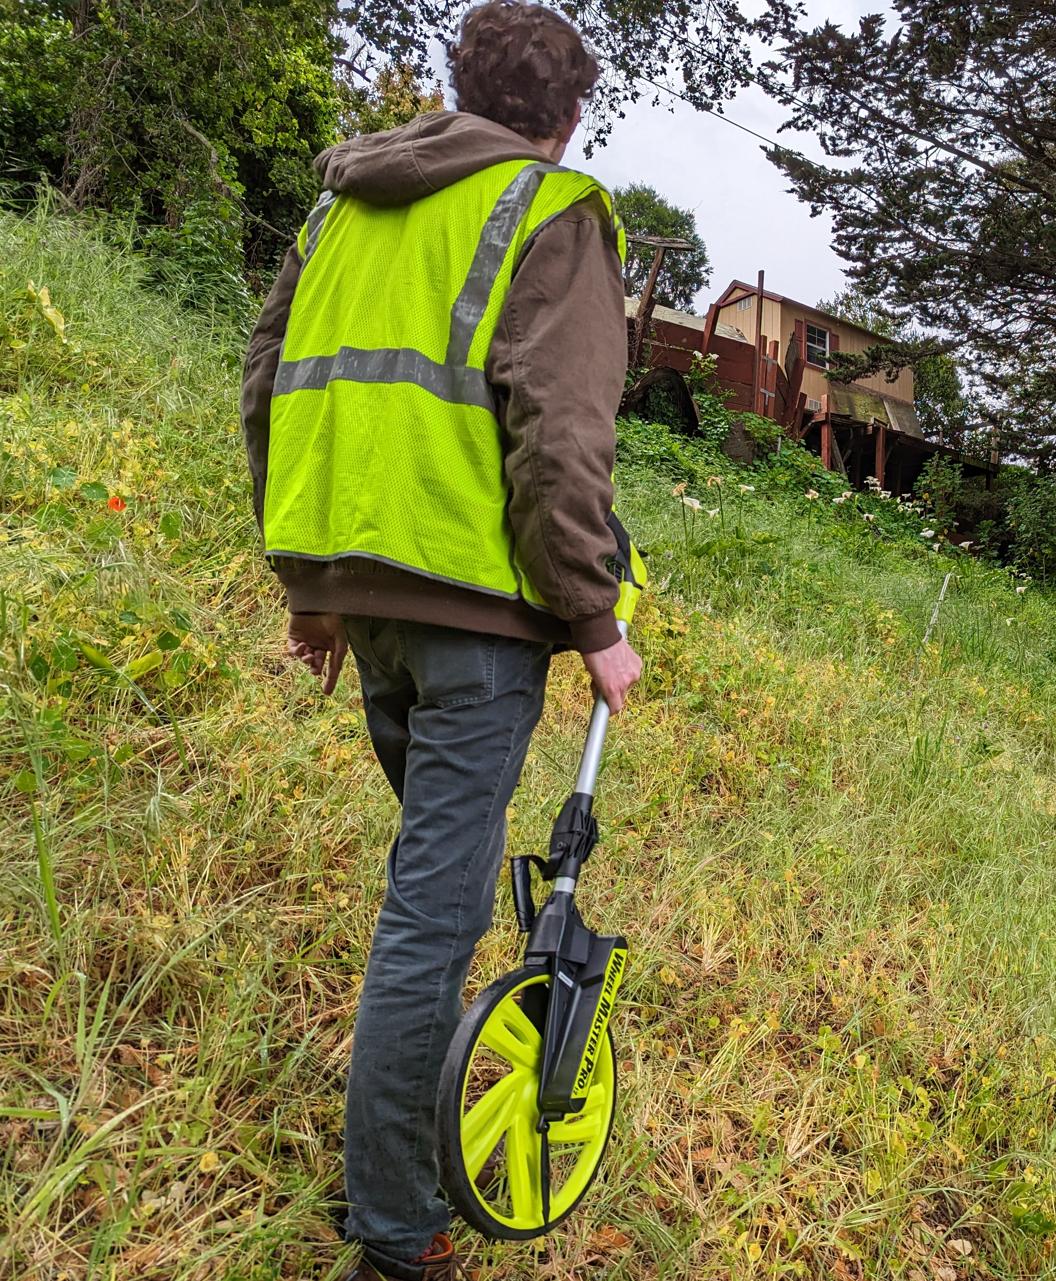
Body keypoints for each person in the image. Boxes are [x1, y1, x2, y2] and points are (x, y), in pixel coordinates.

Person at [240, 4, 641, 1276]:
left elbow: (273, 386)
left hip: (367, 608)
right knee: (429, 923)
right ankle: (396, 1233)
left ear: (459, 88)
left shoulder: (341, 209)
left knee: (436, 898)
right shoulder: (551, 212)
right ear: (567, 115)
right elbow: (561, 435)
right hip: (475, 624)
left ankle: (400, 1156)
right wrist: (594, 619)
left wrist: (313, 587)